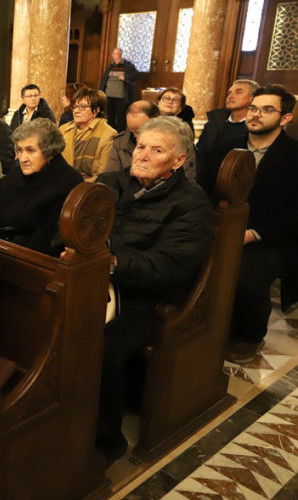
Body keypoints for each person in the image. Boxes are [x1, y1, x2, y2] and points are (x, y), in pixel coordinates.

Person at [94, 116, 213, 463]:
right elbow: (72, 223)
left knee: (101, 346)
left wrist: (114, 262)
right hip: (97, 281)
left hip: (145, 298)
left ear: (178, 160)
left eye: (157, 150)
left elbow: (170, 266)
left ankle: (105, 441)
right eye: (141, 146)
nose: (143, 155)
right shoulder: (111, 182)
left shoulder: (191, 202)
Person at [205, 85, 298, 364]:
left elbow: (294, 214)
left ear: (285, 118)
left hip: (269, 237)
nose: (256, 115)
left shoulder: (294, 155)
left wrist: (254, 233)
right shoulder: (224, 148)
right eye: (254, 108)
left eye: (267, 110)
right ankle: (203, 325)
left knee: (246, 276)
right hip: (219, 228)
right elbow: (203, 192)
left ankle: (249, 336)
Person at [0, 118, 83, 255]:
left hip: (37, 257)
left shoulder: (70, 182)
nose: (23, 158)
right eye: (20, 150)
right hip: (0, 249)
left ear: (49, 152)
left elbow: (49, 237)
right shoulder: (11, 178)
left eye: (30, 151)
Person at [195, 79, 259, 196]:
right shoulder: (214, 123)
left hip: (238, 190)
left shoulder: (256, 127)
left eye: (239, 92)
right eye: (229, 93)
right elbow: (201, 154)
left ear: (252, 98)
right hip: (205, 186)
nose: (230, 96)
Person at [59, 87, 117, 181]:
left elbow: (102, 176)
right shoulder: (64, 129)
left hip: (87, 186)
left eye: (82, 107)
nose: (76, 111)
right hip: (61, 181)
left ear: (96, 110)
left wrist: (76, 186)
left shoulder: (108, 134)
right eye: (74, 107)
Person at [105, 100, 160, 173]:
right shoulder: (120, 142)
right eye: (132, 131)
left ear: (157, 121)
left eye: (140, 132)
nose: (136, 137)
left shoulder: (168, 142)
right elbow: (110, 175)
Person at [99, 48, 139, 131]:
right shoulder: (110, 66)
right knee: (110, 116)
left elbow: (136, 74)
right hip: (109, 95)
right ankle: (111, 132)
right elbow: (105, 79)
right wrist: (101, 92)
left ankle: (120, 133)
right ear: (112, 55)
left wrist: (125, 77)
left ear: (121, 55)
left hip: (121, 97)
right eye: (114, 54)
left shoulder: (127, 65)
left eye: (118, 54)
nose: (116, 56)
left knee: (121, 117)